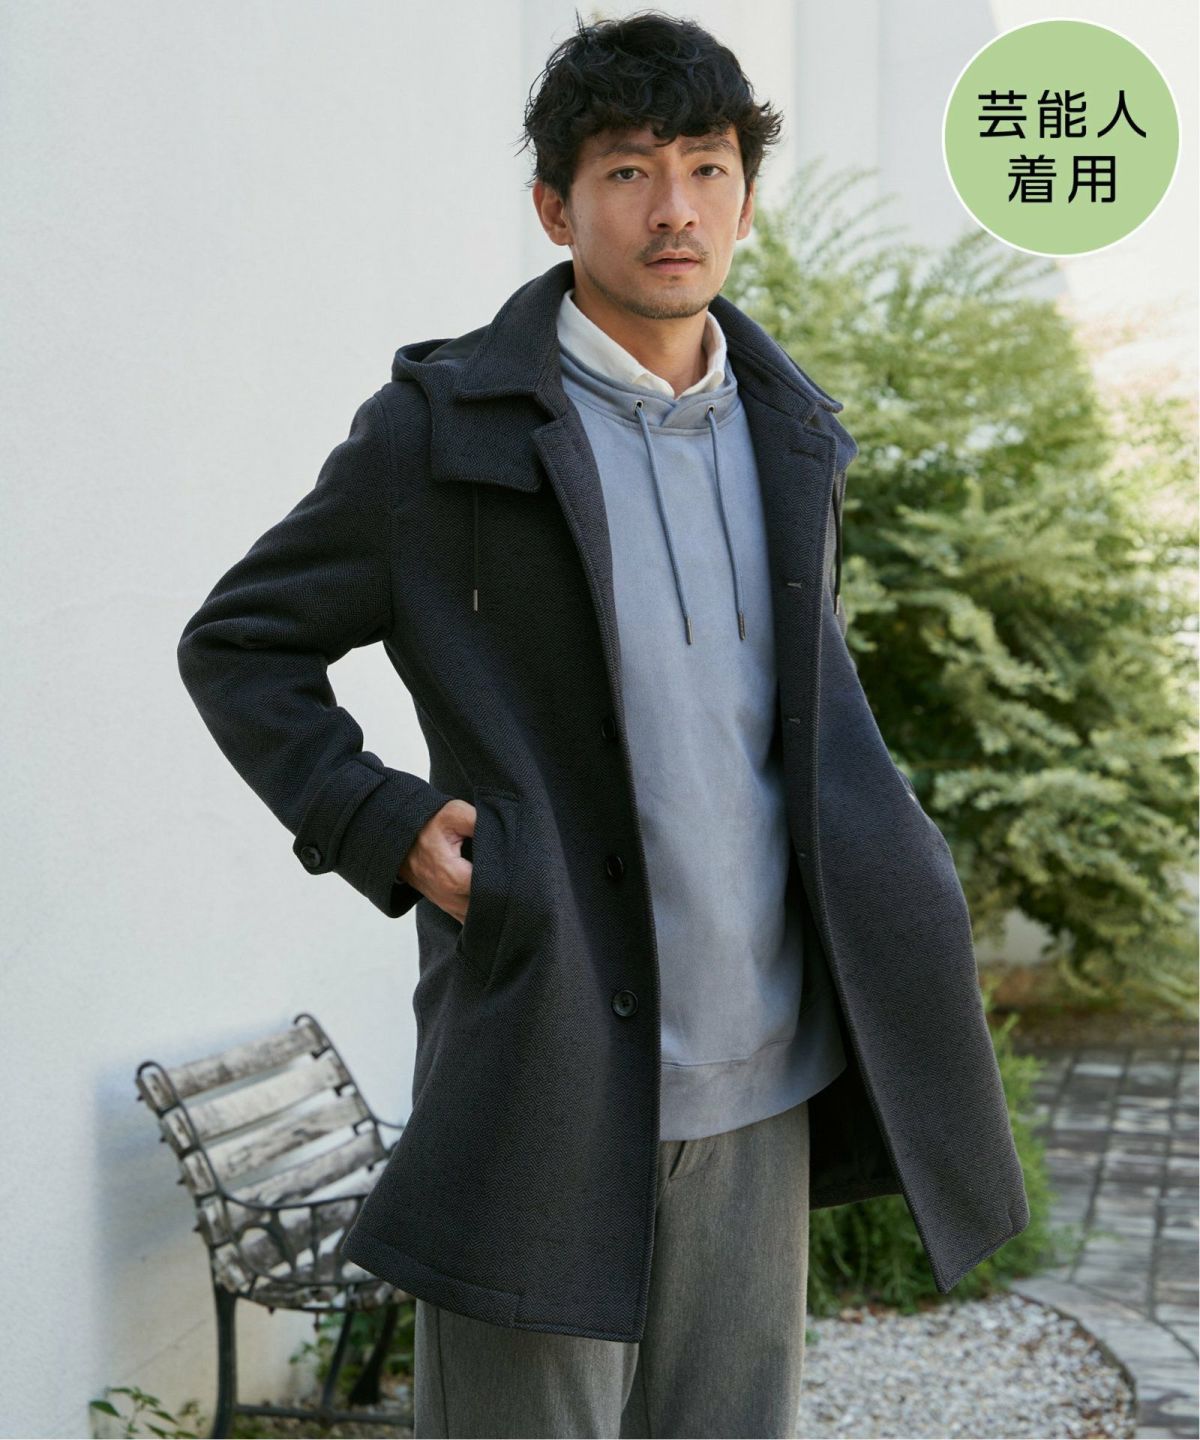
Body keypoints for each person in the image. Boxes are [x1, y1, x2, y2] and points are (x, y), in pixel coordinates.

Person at [176, 10, 1030, 1439]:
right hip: (549, 1064)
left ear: (746, 202)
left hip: (762, 1075)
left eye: (707, 167)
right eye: (629, 169)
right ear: (554, 208)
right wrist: (389, 826)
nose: (673, 207)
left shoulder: (792, 434)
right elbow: (240, 644)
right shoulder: (440, 433)